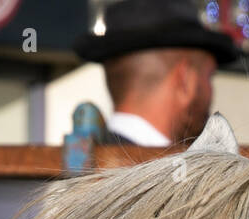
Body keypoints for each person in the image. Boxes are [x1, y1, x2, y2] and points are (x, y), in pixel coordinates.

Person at [73, 0, 238, 146]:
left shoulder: (66, 171)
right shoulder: (186, 178)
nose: (211, 91)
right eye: (209, 77)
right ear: (186, 80)